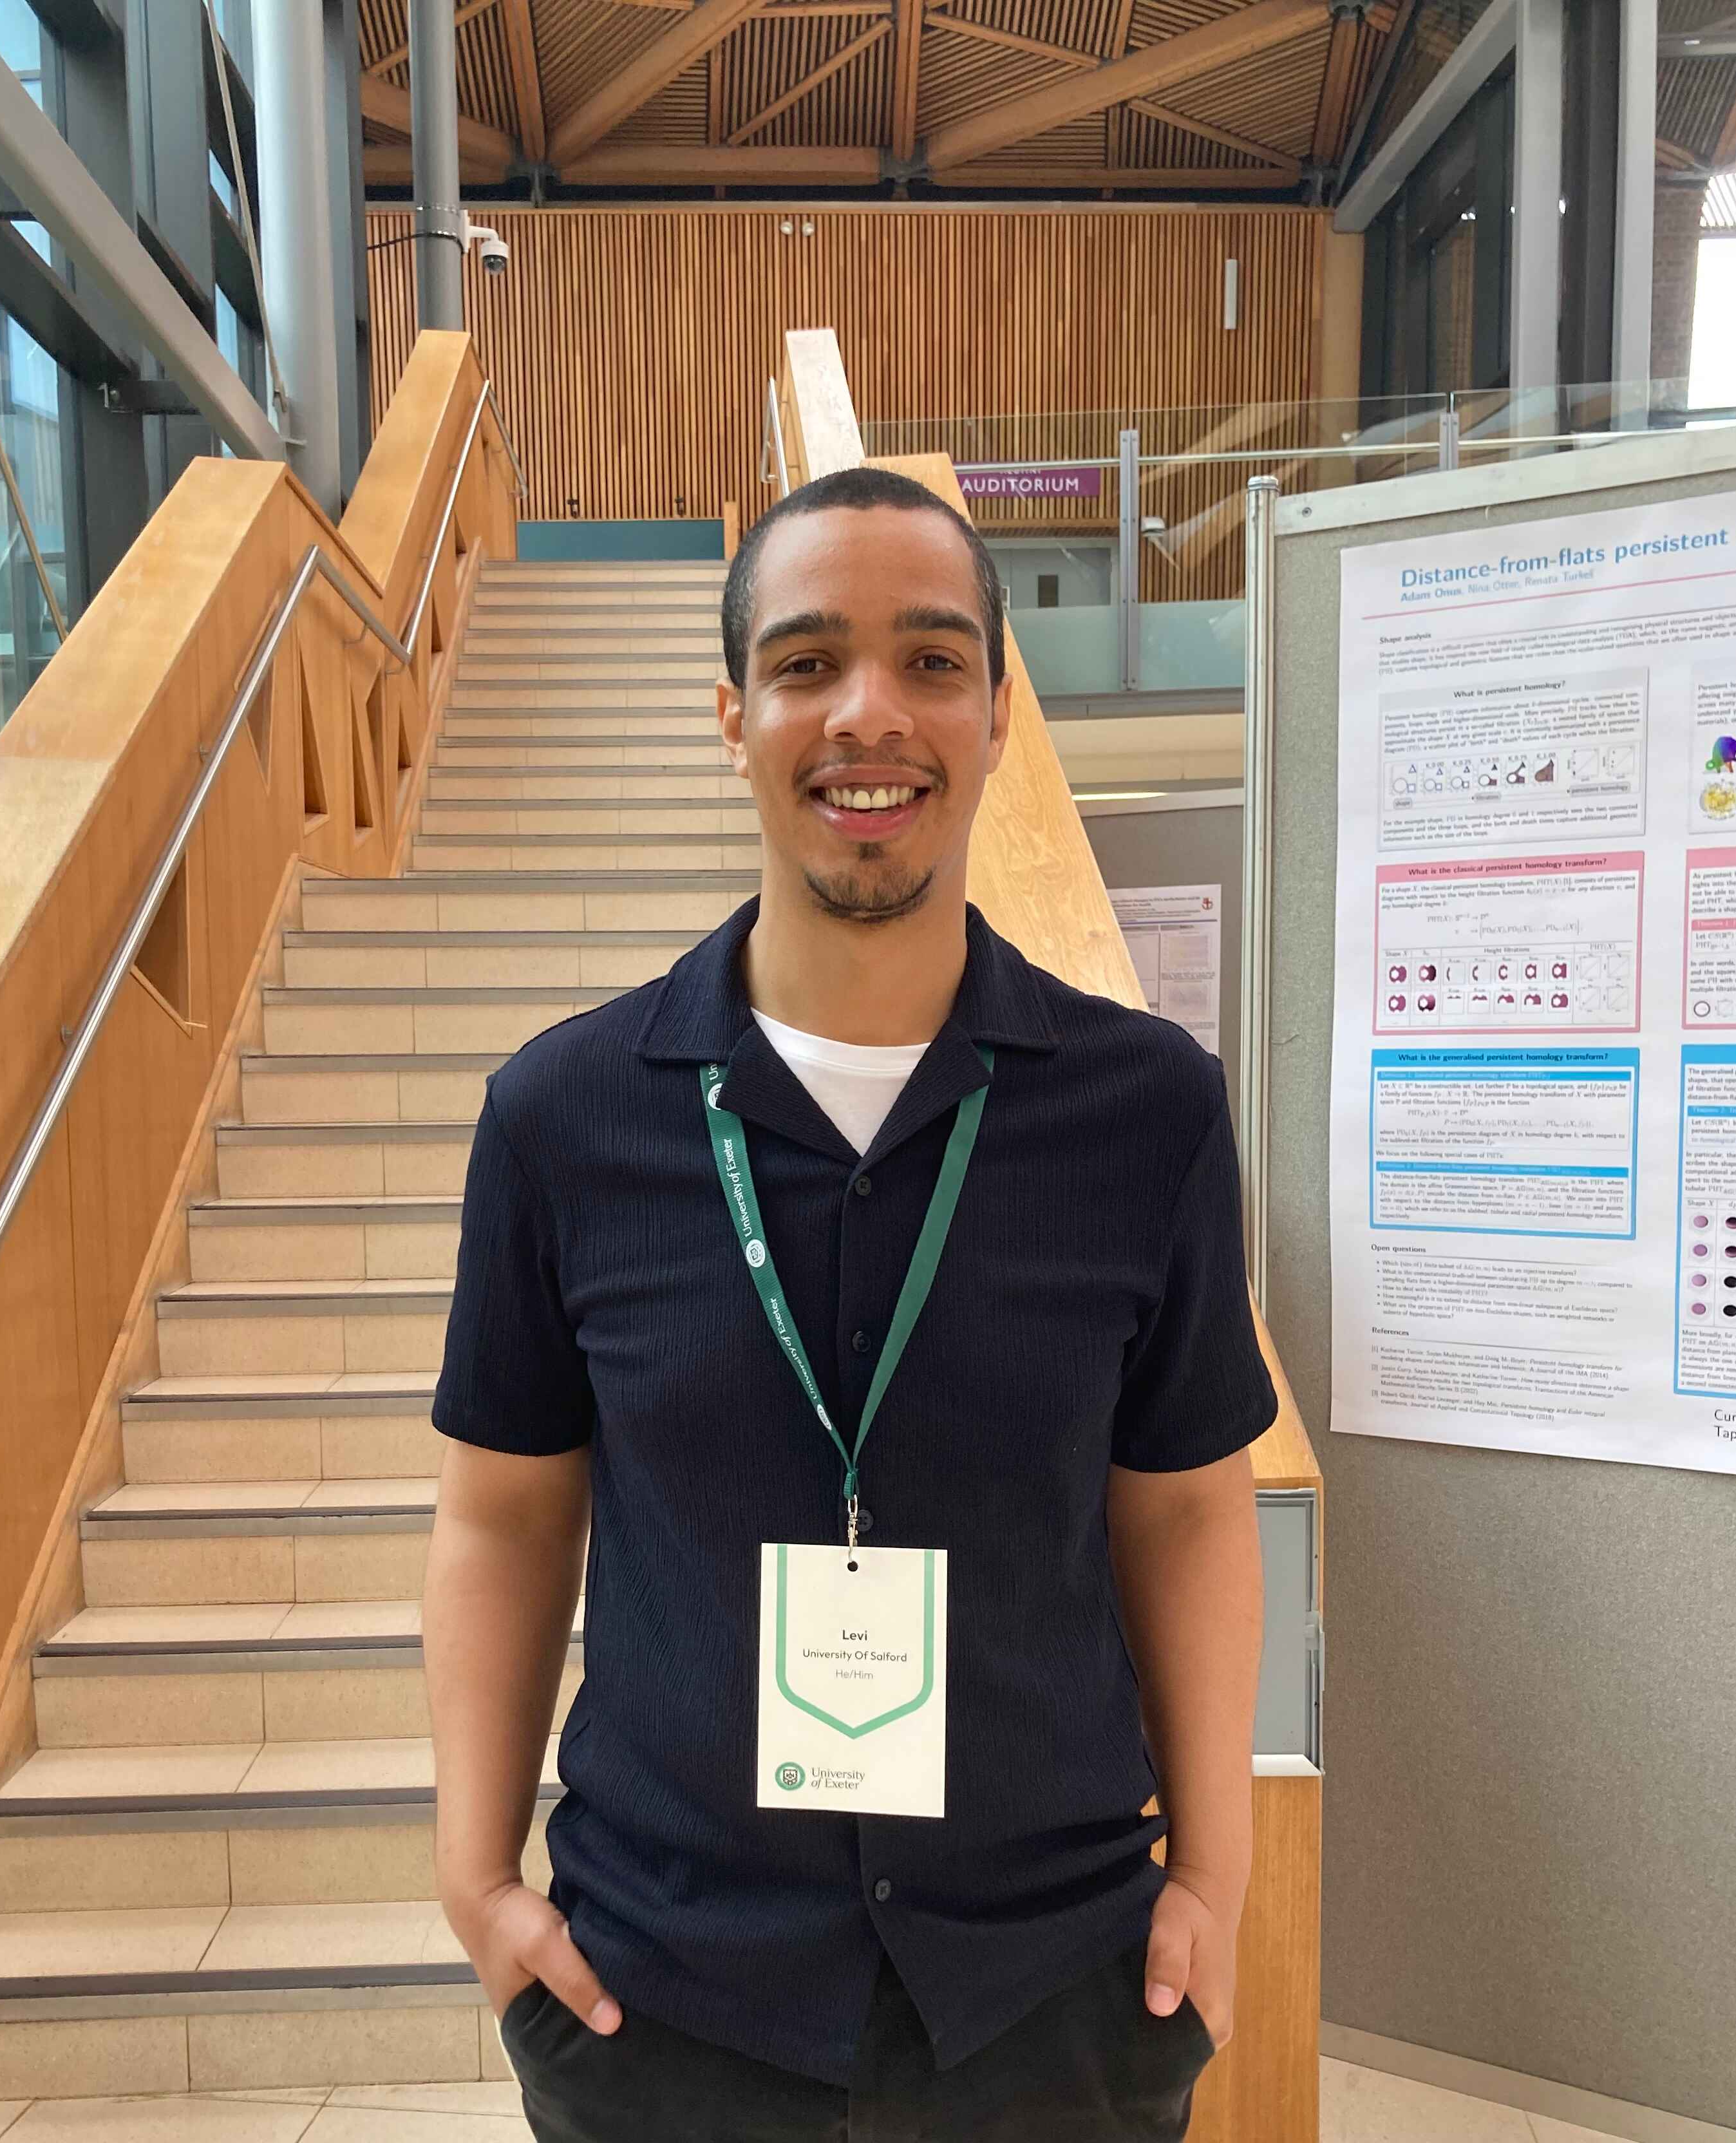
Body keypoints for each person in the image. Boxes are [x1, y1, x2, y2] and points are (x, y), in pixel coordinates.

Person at [425, 465, 1278, 2142]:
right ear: (732, 715)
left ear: (1000, 714)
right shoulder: (562, 1118)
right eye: (808, 663)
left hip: (1057, 1998)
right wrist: (476, 1879)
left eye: (932, 661)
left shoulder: (1147, 1111)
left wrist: (1218, 1876)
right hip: (663, 1998)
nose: (867, 713)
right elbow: (503, 1515)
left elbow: (1185, 1506)